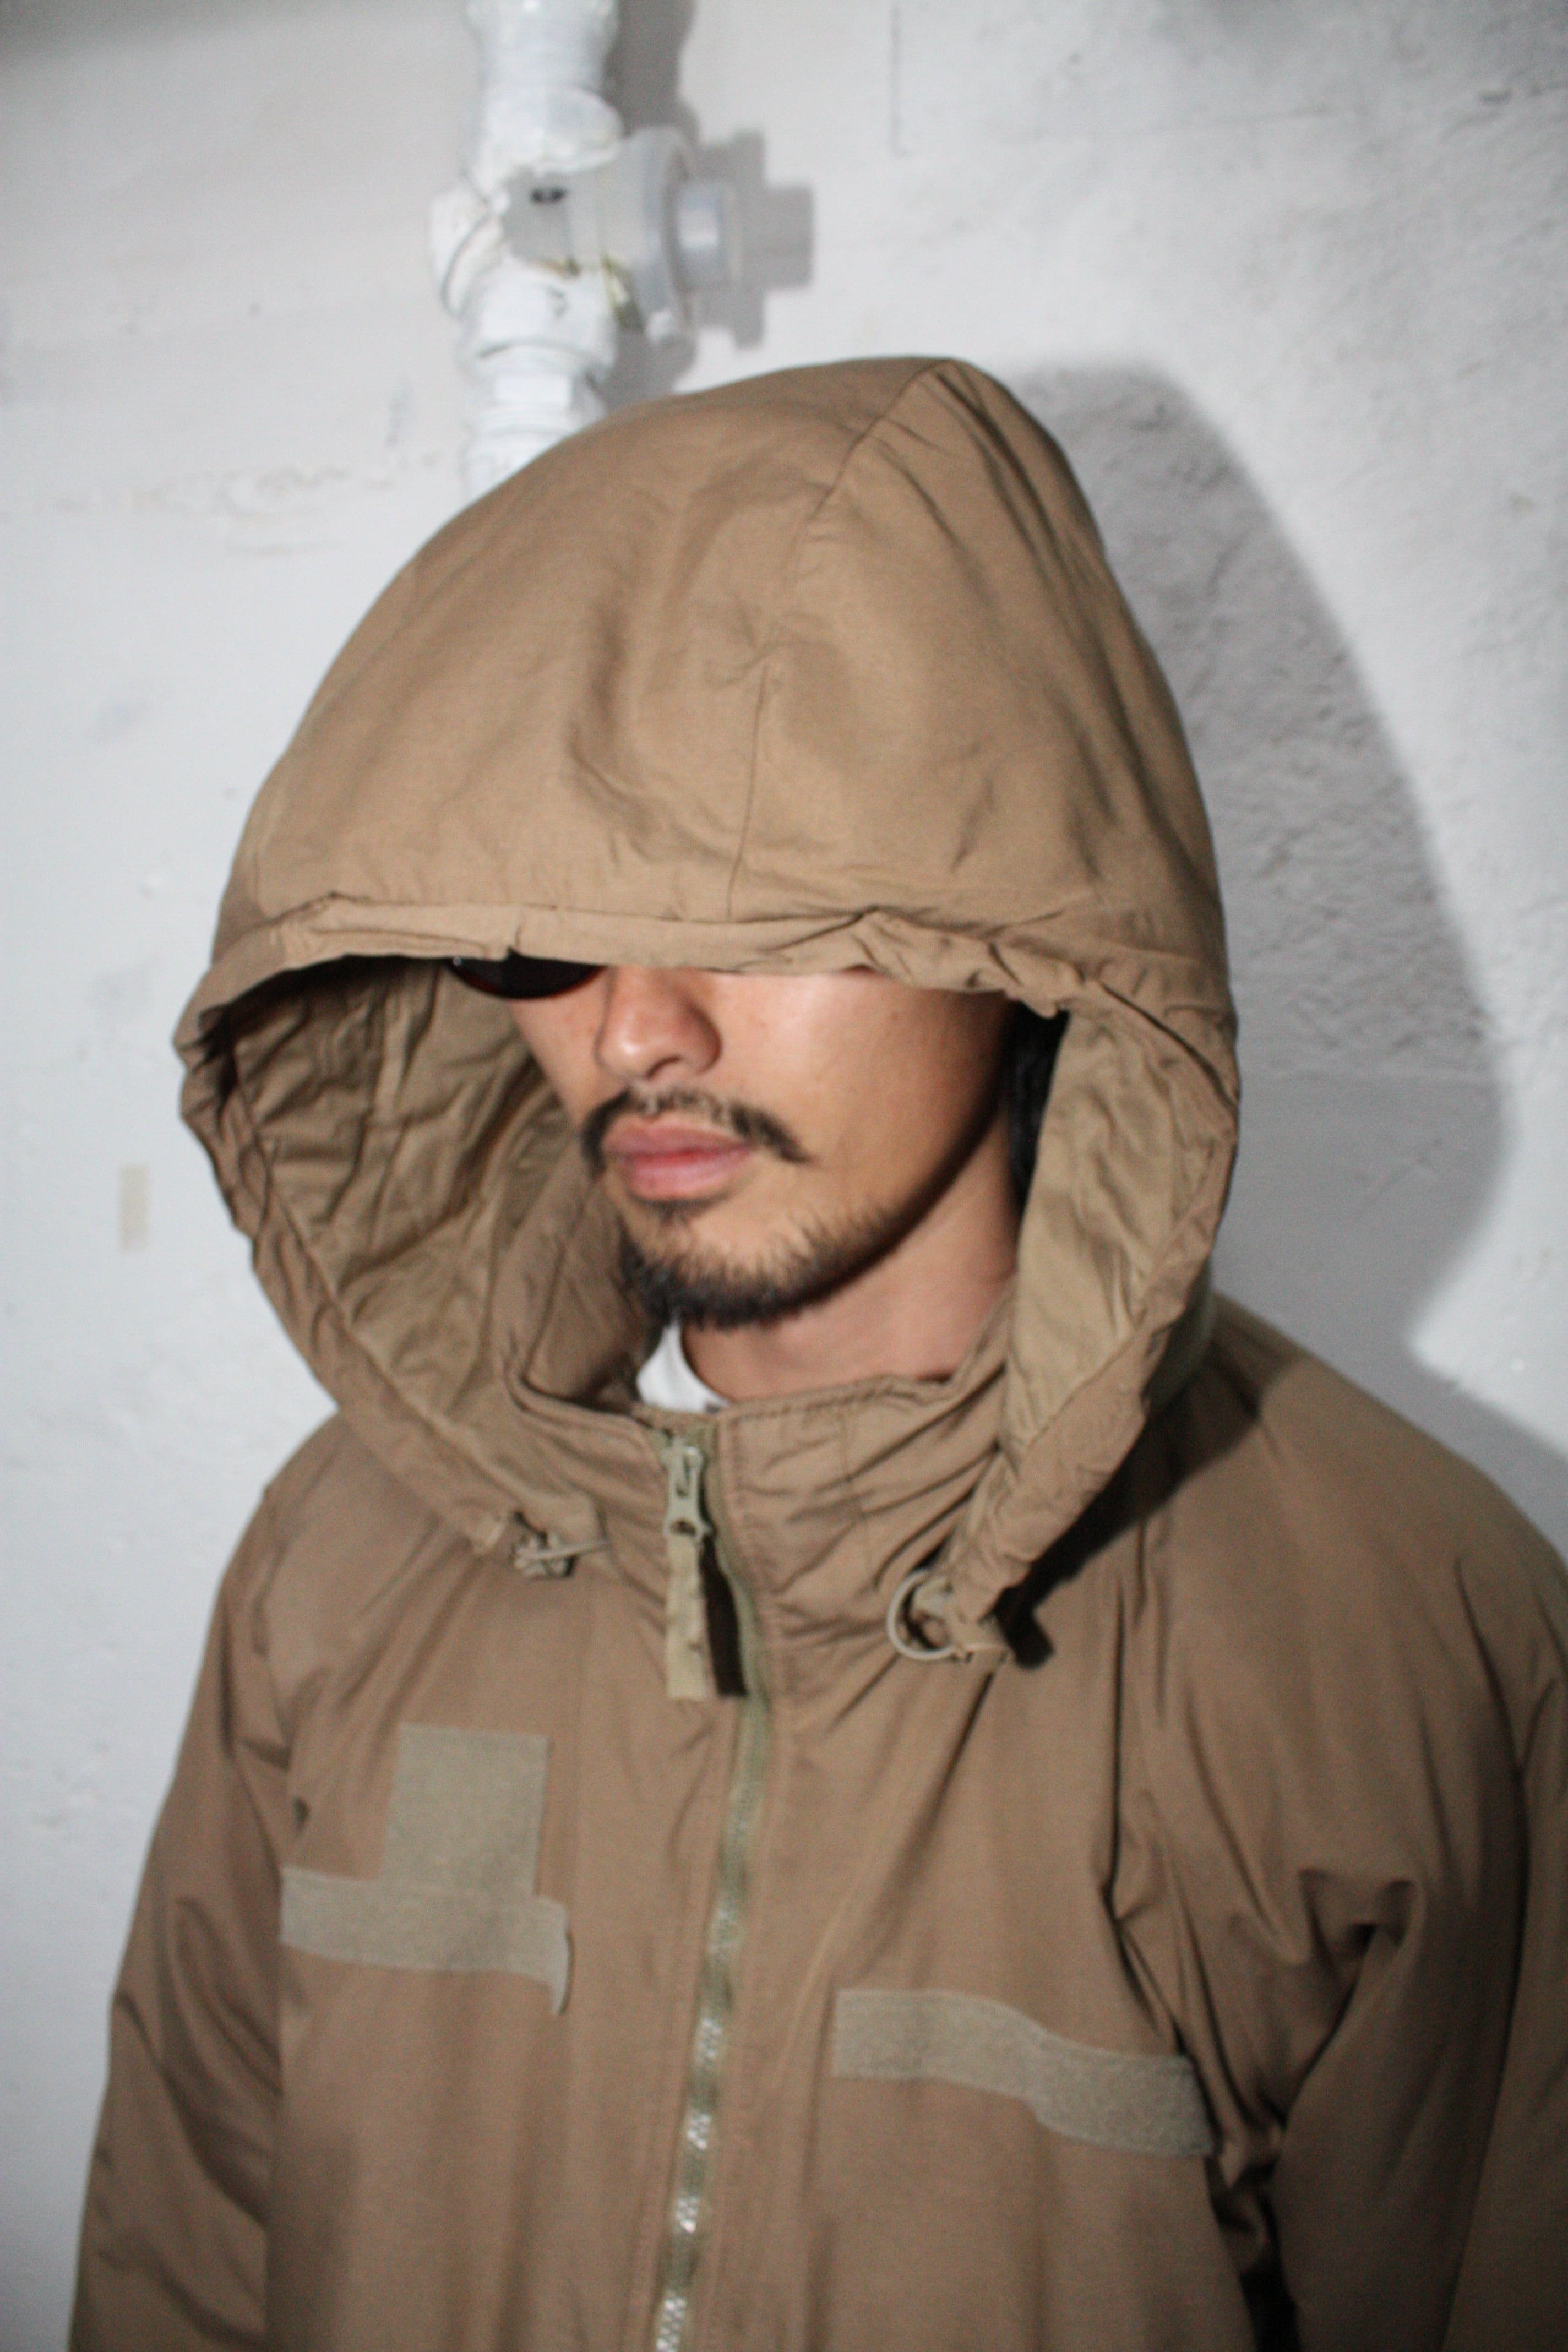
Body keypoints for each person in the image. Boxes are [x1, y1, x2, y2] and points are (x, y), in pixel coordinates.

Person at [73, 358, 1566, 2351]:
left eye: (761, 903)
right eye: (543, 933)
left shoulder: (1395, 1636)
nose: (636, 1031)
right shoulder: (341, 1561)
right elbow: (180, 2261)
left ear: (1031, 935)